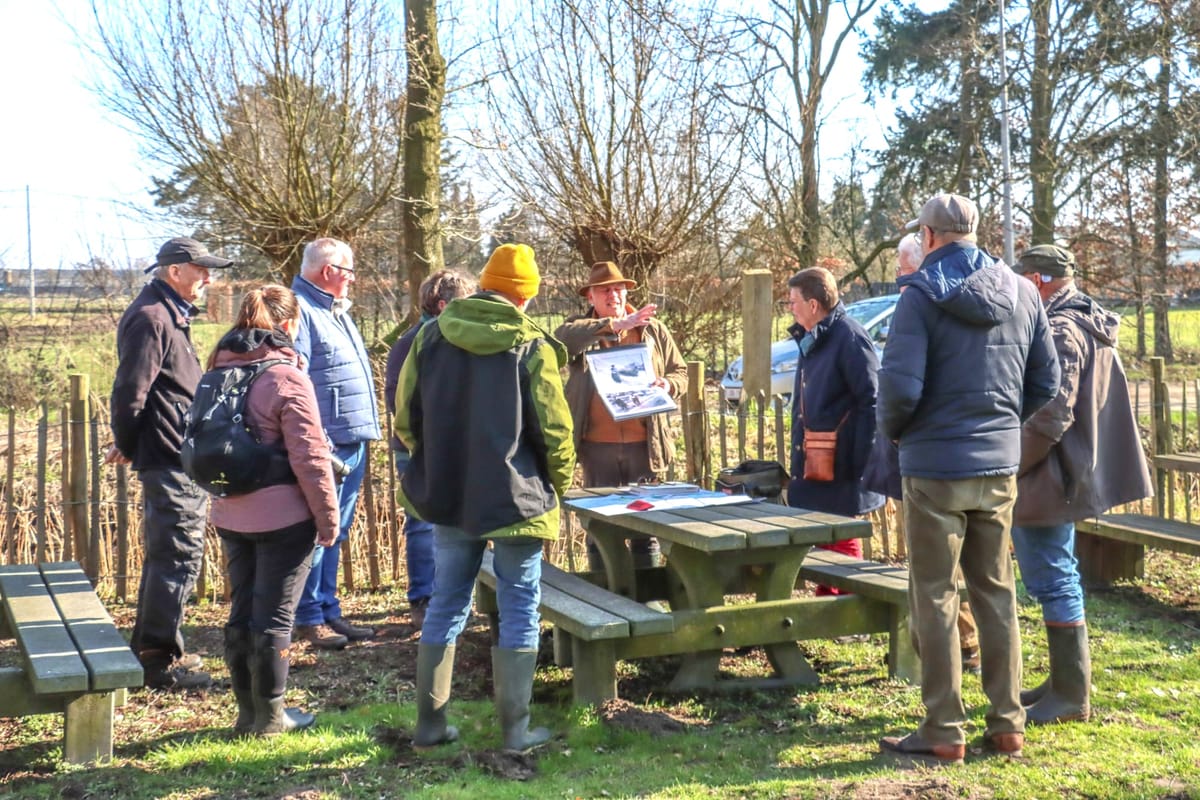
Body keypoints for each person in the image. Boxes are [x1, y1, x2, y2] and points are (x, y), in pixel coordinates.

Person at [876, 193, 1060, 764]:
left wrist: (903, 434)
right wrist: (1002, 428)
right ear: (974, 232)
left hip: (935, 466)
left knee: (934, 594)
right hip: (997, 466)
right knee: (997, 591)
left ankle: (943, 728)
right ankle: (1007, 723)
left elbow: (899, 391)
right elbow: (1045, 382)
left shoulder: (920, 295)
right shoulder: (1025, 292)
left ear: (928, 237)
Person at [395, 243, 575, 752]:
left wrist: (437, 464)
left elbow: (407, 418)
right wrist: (555, 484)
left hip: (450, 493)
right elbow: (555, 432)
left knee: (447, 601)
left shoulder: (430, 336)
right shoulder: (531, 344)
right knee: (520, 604)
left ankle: (430, 726)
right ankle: (515, 732)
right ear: (527, 296)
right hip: (518, 499)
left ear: (486, 283)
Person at [1011, 244, 1152, 724]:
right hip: (1065, 470)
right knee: (1058, 571)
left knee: (1053, 577)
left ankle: (1071, 695)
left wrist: (1013, 463)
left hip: (1050, 474)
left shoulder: (1062, 328)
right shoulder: (1080, 318)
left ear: (1038, 281)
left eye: (1021, 279)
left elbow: (1051, 416)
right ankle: (1063, 681)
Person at [206, 285, 340, 735]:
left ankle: (247, 712)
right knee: (275, 616)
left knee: (241, 610)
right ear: (287, 326)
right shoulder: (285, 377)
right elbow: (310, 457)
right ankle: (270, 717)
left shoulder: (218, 367)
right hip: (284, 517)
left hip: (230, 511)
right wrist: (327, 518)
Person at [107, 236, 234, 690]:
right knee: (177, 554)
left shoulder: (168, 313)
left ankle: (155, 646)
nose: (208, 278)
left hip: (175, 452)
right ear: (174, 270)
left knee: (173, 553)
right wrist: (132, 442)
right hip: (167, 457)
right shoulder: (151, 317)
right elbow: (129, 393)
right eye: (201, 269)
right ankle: (158, 660)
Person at [865, 233, 983, 674]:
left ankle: (958, 651)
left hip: (932, 452)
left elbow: (901, 385)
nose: (897, 274)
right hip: (966, 451)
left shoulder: (922, 303)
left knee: (939, 567)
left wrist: (894, 433)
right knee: (956, 568)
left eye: (901, 266)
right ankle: (963, 649)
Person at [554, 261, 687, 569]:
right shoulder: (579, 329)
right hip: (597, 448)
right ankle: (604, 595)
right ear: (591, 298)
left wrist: (668, 384)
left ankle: (647, 599)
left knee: (646, 525)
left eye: (618, 289)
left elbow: (681, 372)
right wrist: (615, 325)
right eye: (604, 290)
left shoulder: (653, 329)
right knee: (601, 527)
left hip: (645, 446)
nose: (613, 295)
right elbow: (560, 340)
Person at [289, 238, 381, 650]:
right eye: (349, 273)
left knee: (336, 530)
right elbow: (296, 380)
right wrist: (318, 441)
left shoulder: (333, 310)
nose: (352, 281)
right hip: (329, 445)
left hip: (350, 439)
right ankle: (308, 615)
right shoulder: (301, 311)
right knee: (318, 530)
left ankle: (327, 609)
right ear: (329, 272)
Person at [383, 268, 477, 630]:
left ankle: (446, 597)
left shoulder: (443, 338)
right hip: (419, 449)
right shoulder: (414, 342)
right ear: (443, 305)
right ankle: (423, 599)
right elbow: (398, 401)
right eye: (464, 304)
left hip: (444, 447)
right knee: (422, 524)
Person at [785, 267, 884, 580]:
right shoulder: (814, 336)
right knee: (825, 535)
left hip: (842, 464)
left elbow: (872, 401)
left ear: (813, 304)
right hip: (816, 460)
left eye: (793, 301)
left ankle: (851, 605)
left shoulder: (849, 337)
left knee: (841, 534)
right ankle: (830, 600)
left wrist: (860, 464)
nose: (790, 308)